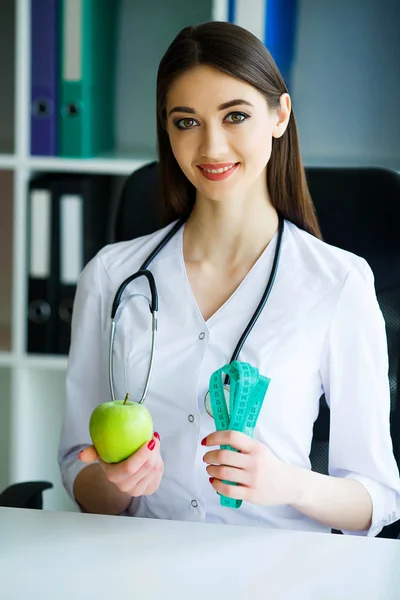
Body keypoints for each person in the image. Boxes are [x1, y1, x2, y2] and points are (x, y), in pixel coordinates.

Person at [58, 21, 400, 537]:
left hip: (277, 575)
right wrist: (116, 481)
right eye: (186, 122)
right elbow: (79, 475)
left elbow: (378, 500)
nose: (212, 147)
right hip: (139, 567)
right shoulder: (112, 276)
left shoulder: (338, 283)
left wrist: (289, 484)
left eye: (235, 116)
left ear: (279, 116)